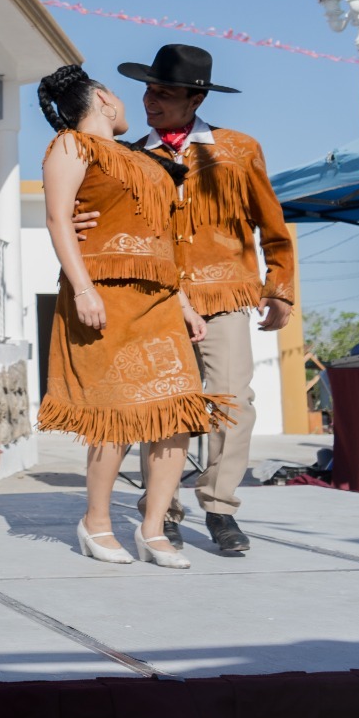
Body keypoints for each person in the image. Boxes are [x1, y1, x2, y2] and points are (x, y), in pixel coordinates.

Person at [37, 64, 232, 570]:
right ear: (103, 99)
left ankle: (153, 528)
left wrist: (184, 301)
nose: (129, 103)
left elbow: (162, 235)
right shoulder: (70, 145)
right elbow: (59, 216)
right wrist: (82, 288)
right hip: (104, 294)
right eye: (121, 96)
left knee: (175, 413)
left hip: (160, 298)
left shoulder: (139, 157)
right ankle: (96, 522)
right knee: (117, 414)